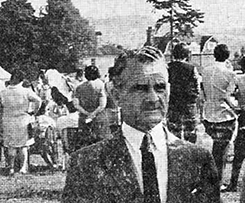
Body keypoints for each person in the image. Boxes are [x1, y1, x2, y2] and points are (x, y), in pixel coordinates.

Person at [62, 46, 220, 203]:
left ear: (169, 91)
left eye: (160, 88)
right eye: (140, 88)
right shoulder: (86, 163)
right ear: (117, 96)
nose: (153, 98)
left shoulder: (198, 160)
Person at [201, 44, 237, 187]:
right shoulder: (230, 73)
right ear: (227, 56)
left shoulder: (205, 70)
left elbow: (203, 91)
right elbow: (229, 97)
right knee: (221, 153)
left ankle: (210, 181)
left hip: (208, 114)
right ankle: (217, 182)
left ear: (214, 55)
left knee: (214, 151)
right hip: (224, 116)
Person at [0, 69, 41, 175]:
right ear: (21, 81)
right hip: (23, 120)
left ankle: (11, 167)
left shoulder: (3, 92)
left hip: (8, 120)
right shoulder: (26, 91)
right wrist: (33, 111)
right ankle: (22, 168)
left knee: (10, 145)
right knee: (23, 145)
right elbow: (38, 100)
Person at [167, 42, 200, 143]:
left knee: (173, 131)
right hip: (188, 104)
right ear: (186, 54)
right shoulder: (191, 68)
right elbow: (197, 87)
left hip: (173, 103)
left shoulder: (168, 67)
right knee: (190, 131)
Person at [73, 65, 111, 147]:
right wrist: (93, 114)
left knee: (86, 143)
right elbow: (102, 105)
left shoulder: (79, 87)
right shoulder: (101, 85)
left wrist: (86, 113)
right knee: (102, 143)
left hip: (84, 118)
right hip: (99, 118)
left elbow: (76, 104)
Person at [224, 56, 245, 192]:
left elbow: (227, 95)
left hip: (243, 113)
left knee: (239, 153)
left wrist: (235, 107)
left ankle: (233, 184)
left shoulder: (239, 79)